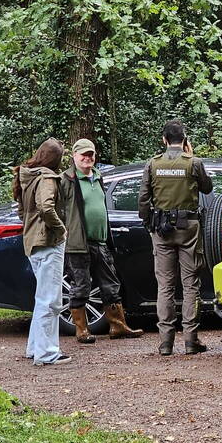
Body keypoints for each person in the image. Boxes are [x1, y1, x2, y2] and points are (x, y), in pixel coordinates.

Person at [137, 120, 213, 356]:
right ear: (185, 139)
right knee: (191, 285)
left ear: (164, 140)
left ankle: (165, 342)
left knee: (165, 286)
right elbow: (208, 188)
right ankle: (191, 340)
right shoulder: (194, 163)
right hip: (188, 228)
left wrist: (150, 223)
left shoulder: (153, 164)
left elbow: (142, 199)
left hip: (161, 230)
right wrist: (192, 157)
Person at [59, 138, 143, 343]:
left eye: (91, 155)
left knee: (111, 284)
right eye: (83, 155)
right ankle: (82, 330)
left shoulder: (98, 176)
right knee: (81, 286)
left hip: (100, 241)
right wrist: (63, 229)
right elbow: (55, 208)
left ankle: (118, 326)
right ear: (74, 156)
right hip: (78, 243)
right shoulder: (66, 180)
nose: (88, 158)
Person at [13, 138, 71, 366]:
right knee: (51, 300)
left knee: (41, 298)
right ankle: (47, 353)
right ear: (56, 159)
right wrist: (61, 229)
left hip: (33, 243)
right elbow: (46, 206)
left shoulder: (27, 176)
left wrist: (31, 227)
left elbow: (21, 211)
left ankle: (35, 347)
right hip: (48, 243)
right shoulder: (47, 177)